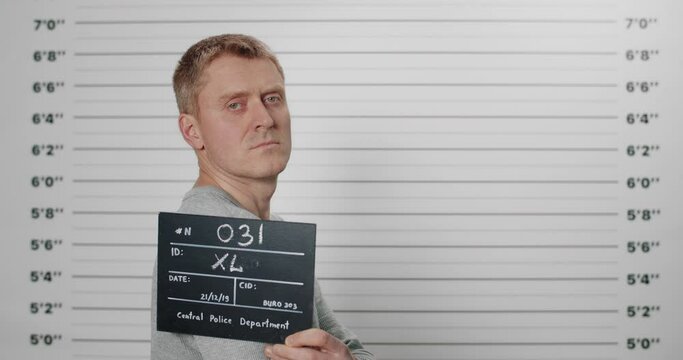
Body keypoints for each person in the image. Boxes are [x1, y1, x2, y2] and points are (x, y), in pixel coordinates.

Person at [151, 34, 375, 360]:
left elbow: (350, 349)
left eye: (272, 98)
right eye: (235, 105)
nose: (266, 120)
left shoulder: (272, 234)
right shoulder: (216, 239)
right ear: (192, 131)